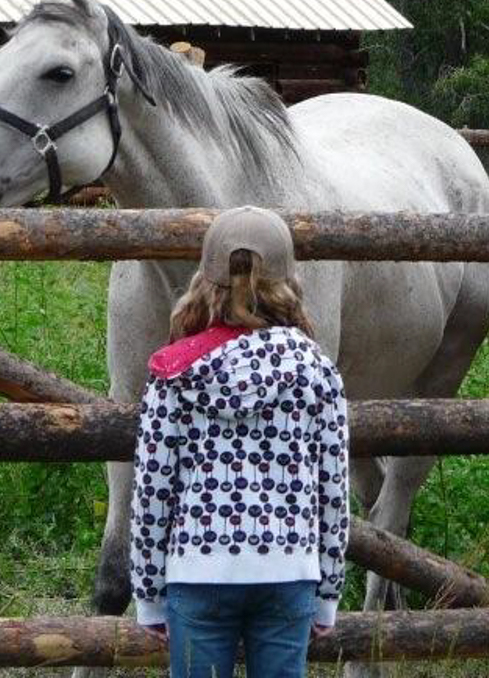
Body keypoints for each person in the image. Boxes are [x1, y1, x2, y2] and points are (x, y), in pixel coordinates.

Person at [130, 206, 349, 678]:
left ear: (205, 279)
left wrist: (148, 593)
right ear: (288, 278)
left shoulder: (175, 371)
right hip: (290, 569)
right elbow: (333, 487)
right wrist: (329, 592)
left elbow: (152, 487)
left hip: (199, 570)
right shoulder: (316, 369)